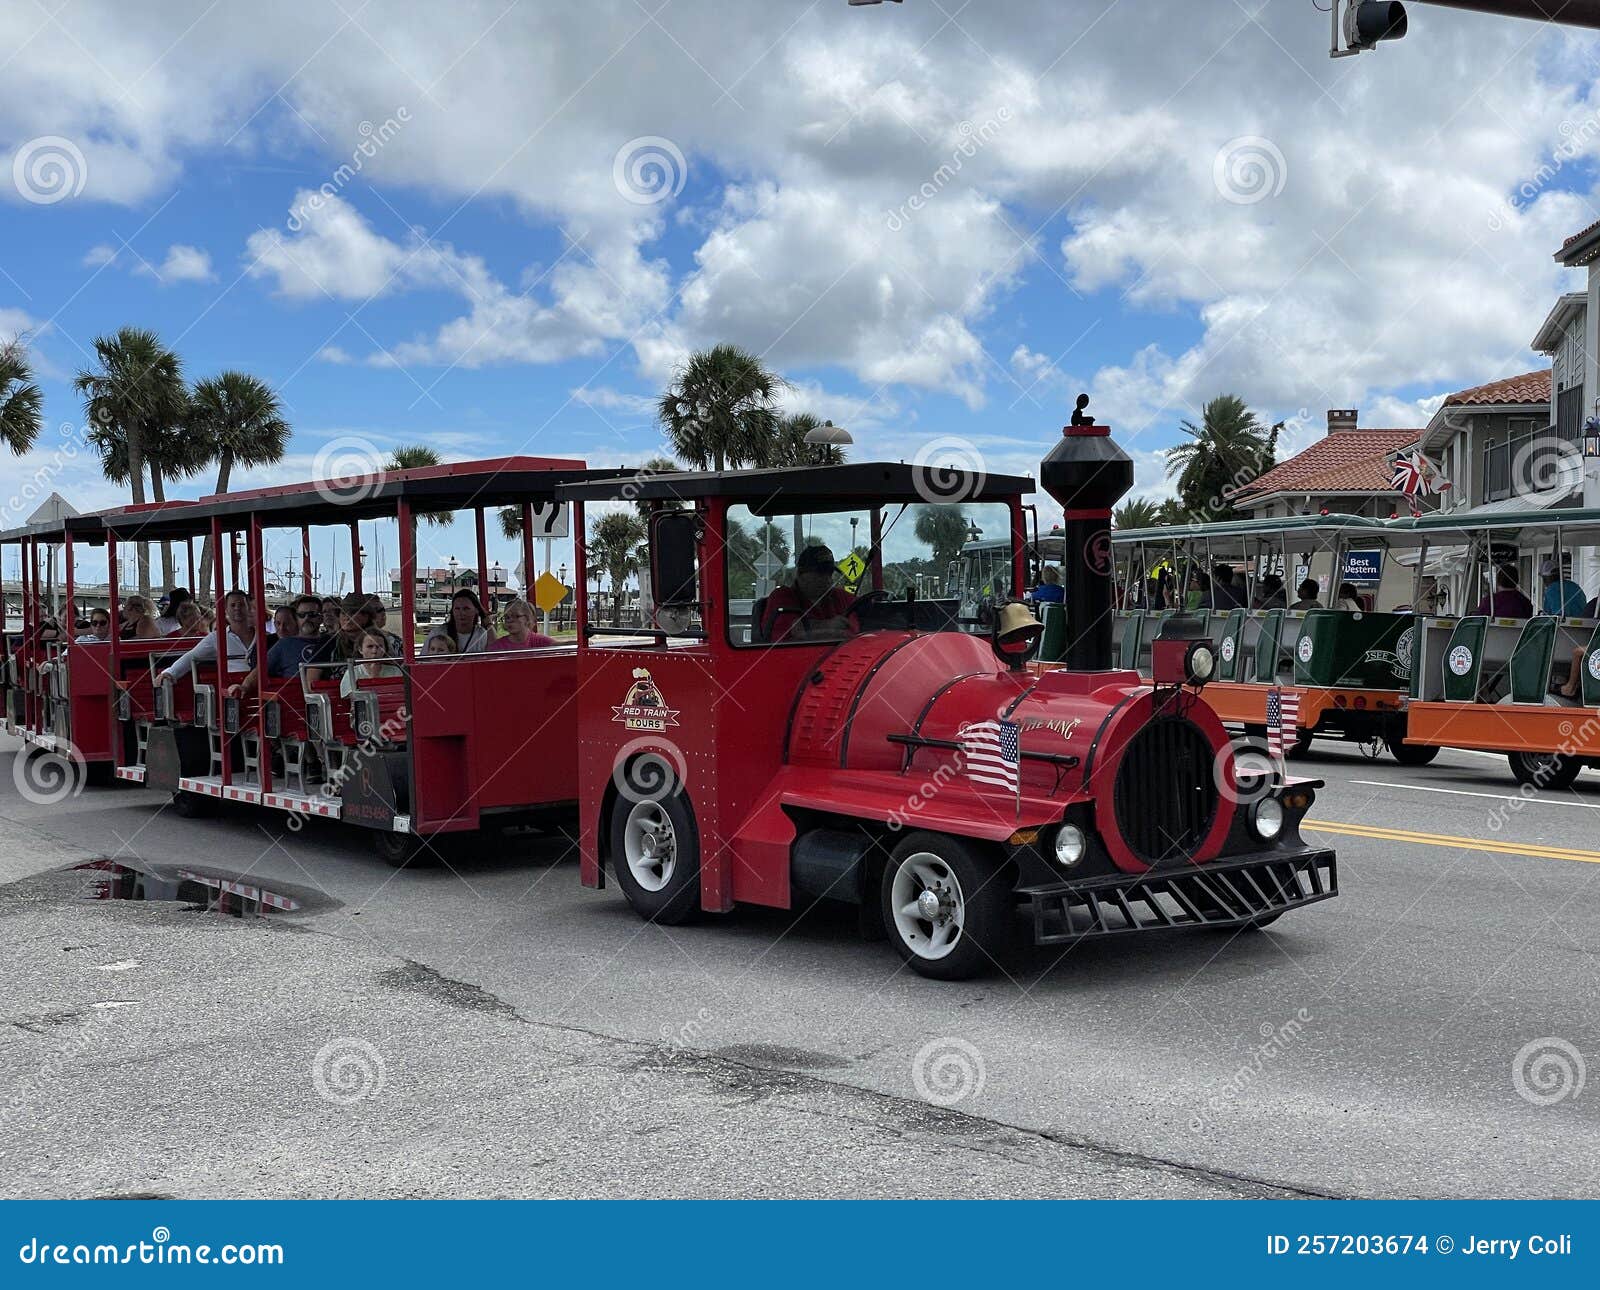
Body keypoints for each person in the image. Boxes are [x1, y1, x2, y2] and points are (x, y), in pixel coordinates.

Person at [759, 544, 860, 643]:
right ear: (800, 574)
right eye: (819, 573)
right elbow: (793, 633)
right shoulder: (782, 597)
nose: (827, 579)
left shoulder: (840, 597)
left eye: (829, 573)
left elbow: (863, 609)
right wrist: (829, 626)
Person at [230, 595, 326, 698]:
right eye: (302, 615)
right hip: (293, 701)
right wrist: (244, 686)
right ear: (297, 618)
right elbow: (261, 670)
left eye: (312, 615)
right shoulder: (285, 644)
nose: (306, 619)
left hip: (326, 699)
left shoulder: (330, 642)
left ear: (321, 618)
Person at [156, 590, 258, 683]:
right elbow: (191, 657)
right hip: (232, 692)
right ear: (226, 610)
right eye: (233, 605)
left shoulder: (263, 636)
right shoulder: (216, 638)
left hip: (260, 685)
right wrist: (170, 673)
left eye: (241, 605)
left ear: (248, 608)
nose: (237, 608)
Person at [307, 592, 375, 682]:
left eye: (352, 613)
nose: (346, 617)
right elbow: (311, 681)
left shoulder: (379, 640)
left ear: (366, 617)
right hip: (333, 694)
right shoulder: (327, 641)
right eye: (343, 613)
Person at [340, 629, 402, 698]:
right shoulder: (352, 673)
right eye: (370, 646)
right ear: (360, 650)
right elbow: (352, 700)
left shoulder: (395, 671)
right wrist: (374, 677)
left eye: (379, 647)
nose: (374, 651)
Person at [427, 589, 490, 655]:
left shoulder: (481, 634)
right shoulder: (438, 633)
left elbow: (495, 652)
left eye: (466, 608)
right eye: (457, 609)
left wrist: (488, 622)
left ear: (477, 610)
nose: (461, 613)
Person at [491, 599, 556, 650]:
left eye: (516, 616)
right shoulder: (498, 646)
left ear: (527, 619)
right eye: (507, 617)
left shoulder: (539, 641)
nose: (510, 620)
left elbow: (560, 647)